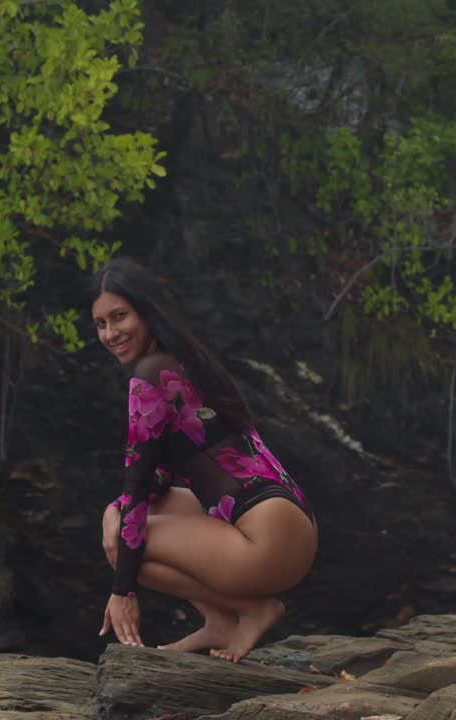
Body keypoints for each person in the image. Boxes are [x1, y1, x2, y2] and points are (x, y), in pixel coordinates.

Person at [89, 257, 317, 663]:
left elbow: (137, 484)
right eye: (101, 324)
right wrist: (115, 512)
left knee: (121, 542)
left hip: (268, 538)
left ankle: (253, 610)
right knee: (120, 521)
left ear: (146, 310)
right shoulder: (184, 360)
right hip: (289, 522)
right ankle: (219, 622)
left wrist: (122, 592)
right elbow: (154, 482)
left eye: (119, 316)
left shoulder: (150, 373)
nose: (110, 333)